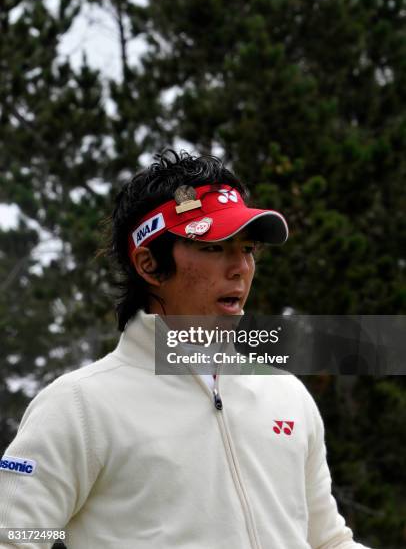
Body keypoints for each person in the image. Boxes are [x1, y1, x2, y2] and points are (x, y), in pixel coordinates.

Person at [0, 149, 370, 549]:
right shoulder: (78, 406)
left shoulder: (287, 395)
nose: (240, 267)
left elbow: (328, 541)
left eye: (247, 248)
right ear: (148, 264)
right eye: (214, 247)